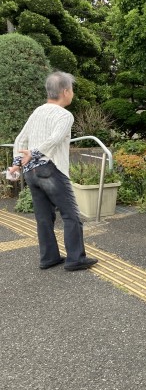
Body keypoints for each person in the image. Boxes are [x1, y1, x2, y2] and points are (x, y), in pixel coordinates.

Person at [8, 72, 97, 271]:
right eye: (71, 90)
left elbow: (20, 139)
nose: (72, 93)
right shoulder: (65, 115)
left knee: (43, 217)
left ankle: (49, 257)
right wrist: (35, 152)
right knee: (71, 215)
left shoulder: (37, 111)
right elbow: (55, 139)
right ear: (65, 91)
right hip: (51, 169)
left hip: (31, 172)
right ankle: (75, 259)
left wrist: (17, 163)